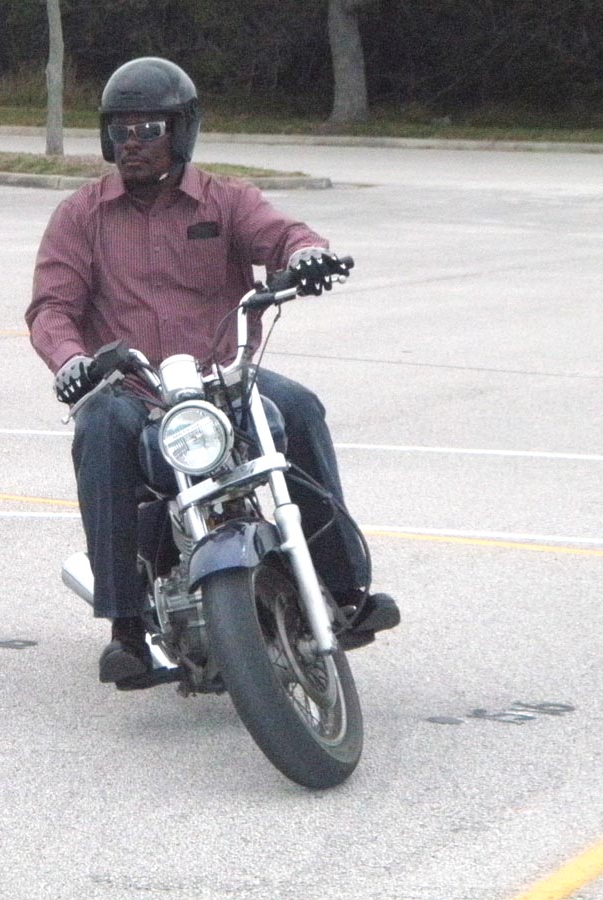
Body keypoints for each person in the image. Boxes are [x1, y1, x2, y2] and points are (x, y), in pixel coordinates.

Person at [25, 57, 399, 686]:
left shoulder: (225, 201)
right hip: (133, 389)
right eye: (121, 130)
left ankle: (342, 587)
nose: (133, 142)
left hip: (223, 380)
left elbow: (283, 234)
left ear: (181, 131)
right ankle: (125, 628)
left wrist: (308, 257)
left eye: (149, 129)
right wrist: (72, 362)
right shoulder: (81, 214)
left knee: (300, 407)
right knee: (99, 430)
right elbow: (51, 308)